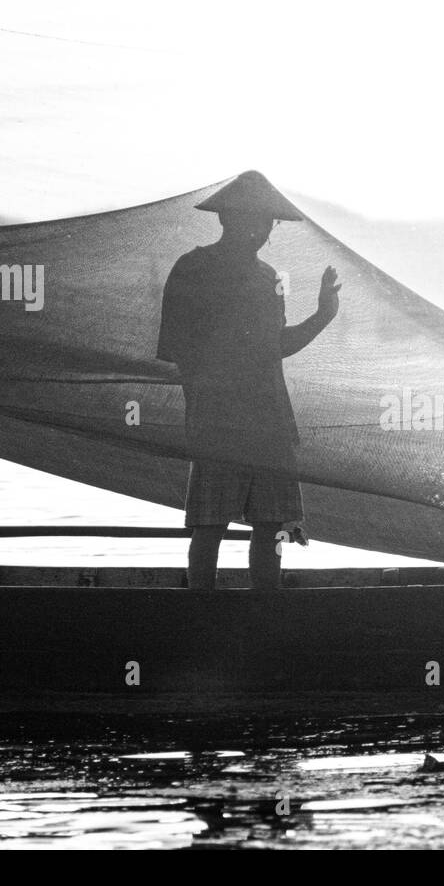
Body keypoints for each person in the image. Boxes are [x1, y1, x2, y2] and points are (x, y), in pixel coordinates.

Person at [156, 171, 340, 590]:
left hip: (269, 420)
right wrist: (202, 410)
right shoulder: (194, 268)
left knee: (271, 526)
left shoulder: (267, 278)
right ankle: (201, 609)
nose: (259, 231)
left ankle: (266, 609)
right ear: (225, 220)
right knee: (210, 525)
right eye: (251, 221)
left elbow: (276, 345)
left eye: (266, 223)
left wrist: (322, 316)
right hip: (218, 422)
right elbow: (177, 351)